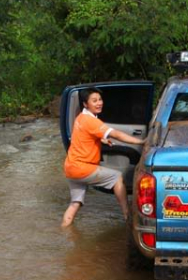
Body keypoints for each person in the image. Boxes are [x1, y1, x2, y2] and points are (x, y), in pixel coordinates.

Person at [62, 87, 145, 227]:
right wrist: (141, 141)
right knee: (117, 177)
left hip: (70, 168)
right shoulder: (91, 121)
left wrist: (101, 139)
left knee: (75, 203)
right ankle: (127, 215)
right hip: (83, 168)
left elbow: (84, 136)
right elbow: (116, 134)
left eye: (100, 99)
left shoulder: (80, 118)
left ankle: (64, 230)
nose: (99, 103)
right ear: (85, 104)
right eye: (94, 101)